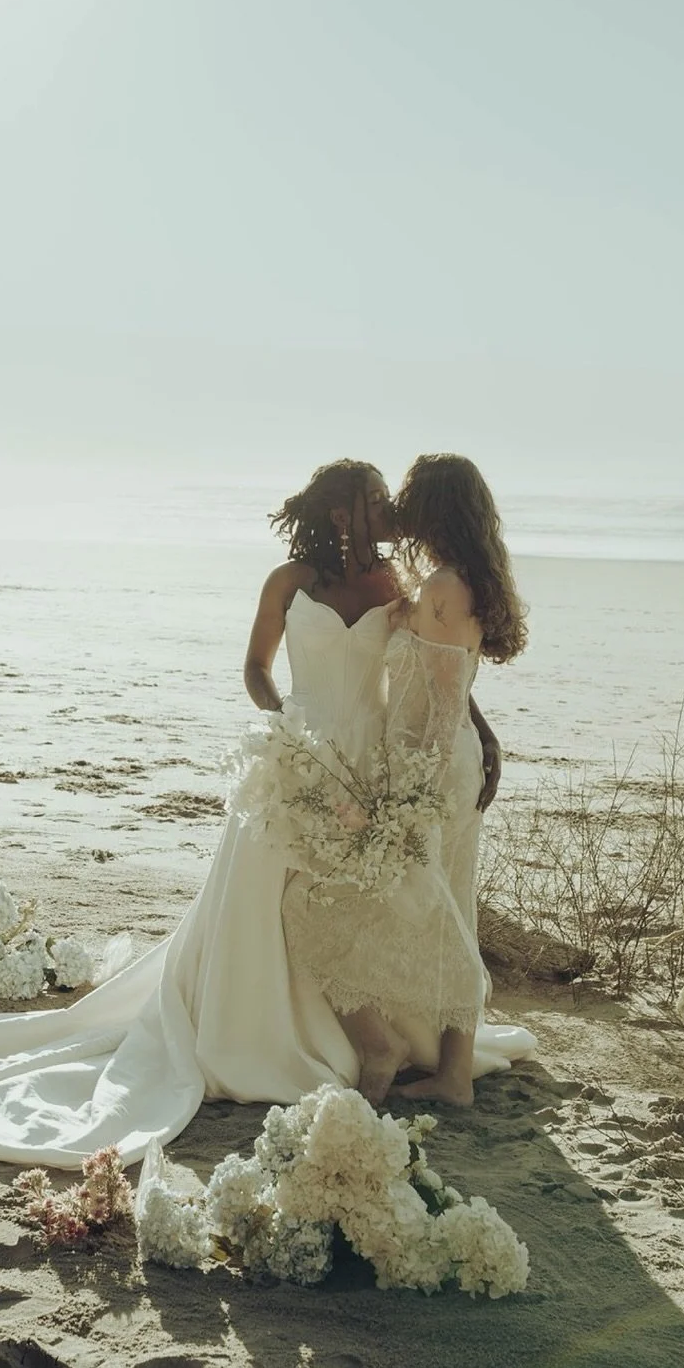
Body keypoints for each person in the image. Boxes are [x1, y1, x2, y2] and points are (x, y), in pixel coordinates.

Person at [0, 459, 533, 1168]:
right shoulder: (288, 582)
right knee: (269, 896)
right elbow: (255, 668)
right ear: (340, 511)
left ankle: (376, 1039)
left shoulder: (402, 586)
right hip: (298, 755)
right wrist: (284, 728)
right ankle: (259, 1033)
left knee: (359, 902)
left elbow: (437, 669)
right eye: (375, 499)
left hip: (370, 760)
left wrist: (479, 729)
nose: (390, 512)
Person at [282, 453, 528, 1105]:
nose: (399, 506)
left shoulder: (444, 587)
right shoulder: (449, 581)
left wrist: (405, 794)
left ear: (436, 508)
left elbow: (443, 703)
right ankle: (451, 1072)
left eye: (411, 496)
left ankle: (409, 1054)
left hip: (434, 771)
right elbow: (454, 681)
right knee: (451, 903)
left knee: (340, 905)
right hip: (449, 763)